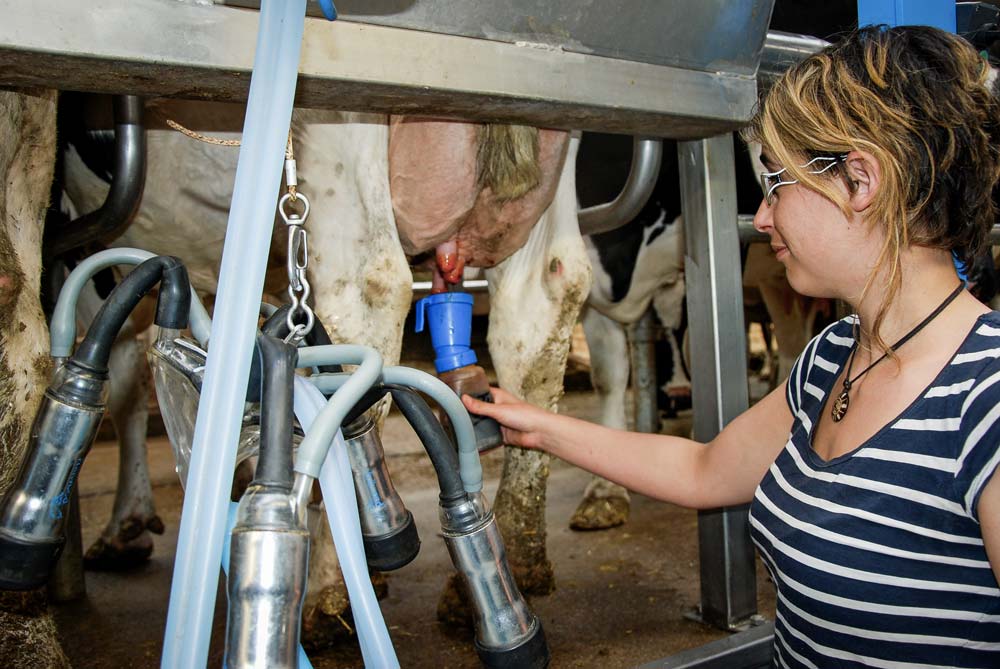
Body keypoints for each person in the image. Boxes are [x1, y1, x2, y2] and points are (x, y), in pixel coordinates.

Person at [463, 26, 1000, 666]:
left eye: (778, 183)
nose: (764, 216)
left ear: (861, 181)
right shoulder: (835, 357)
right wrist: (536, 426)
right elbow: (704, 471)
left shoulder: (986, 396)